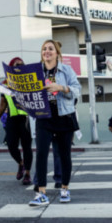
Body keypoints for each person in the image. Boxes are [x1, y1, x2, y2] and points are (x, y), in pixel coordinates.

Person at [28, 39, 80, 206]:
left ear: (57, 53)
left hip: (64, 116)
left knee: (64, 155)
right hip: (44, 117)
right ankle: (41, 193)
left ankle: (64, 188)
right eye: (44, 49)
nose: (47, 51)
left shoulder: (66, 70)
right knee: (41, 154)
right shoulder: (36, 72)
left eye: (50, 49)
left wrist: (62, 88)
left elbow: (77, 90)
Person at [0, 57, 33, 185]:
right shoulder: (5, 84)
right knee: (11, 145)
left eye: (22, 64)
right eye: (17, 65)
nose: (19, 66)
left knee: (27, 147)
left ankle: (27, 173)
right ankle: (21, 164)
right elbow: (2, 104)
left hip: (26, 119)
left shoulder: (30, 81)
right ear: (10, 67)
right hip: (12, 119)